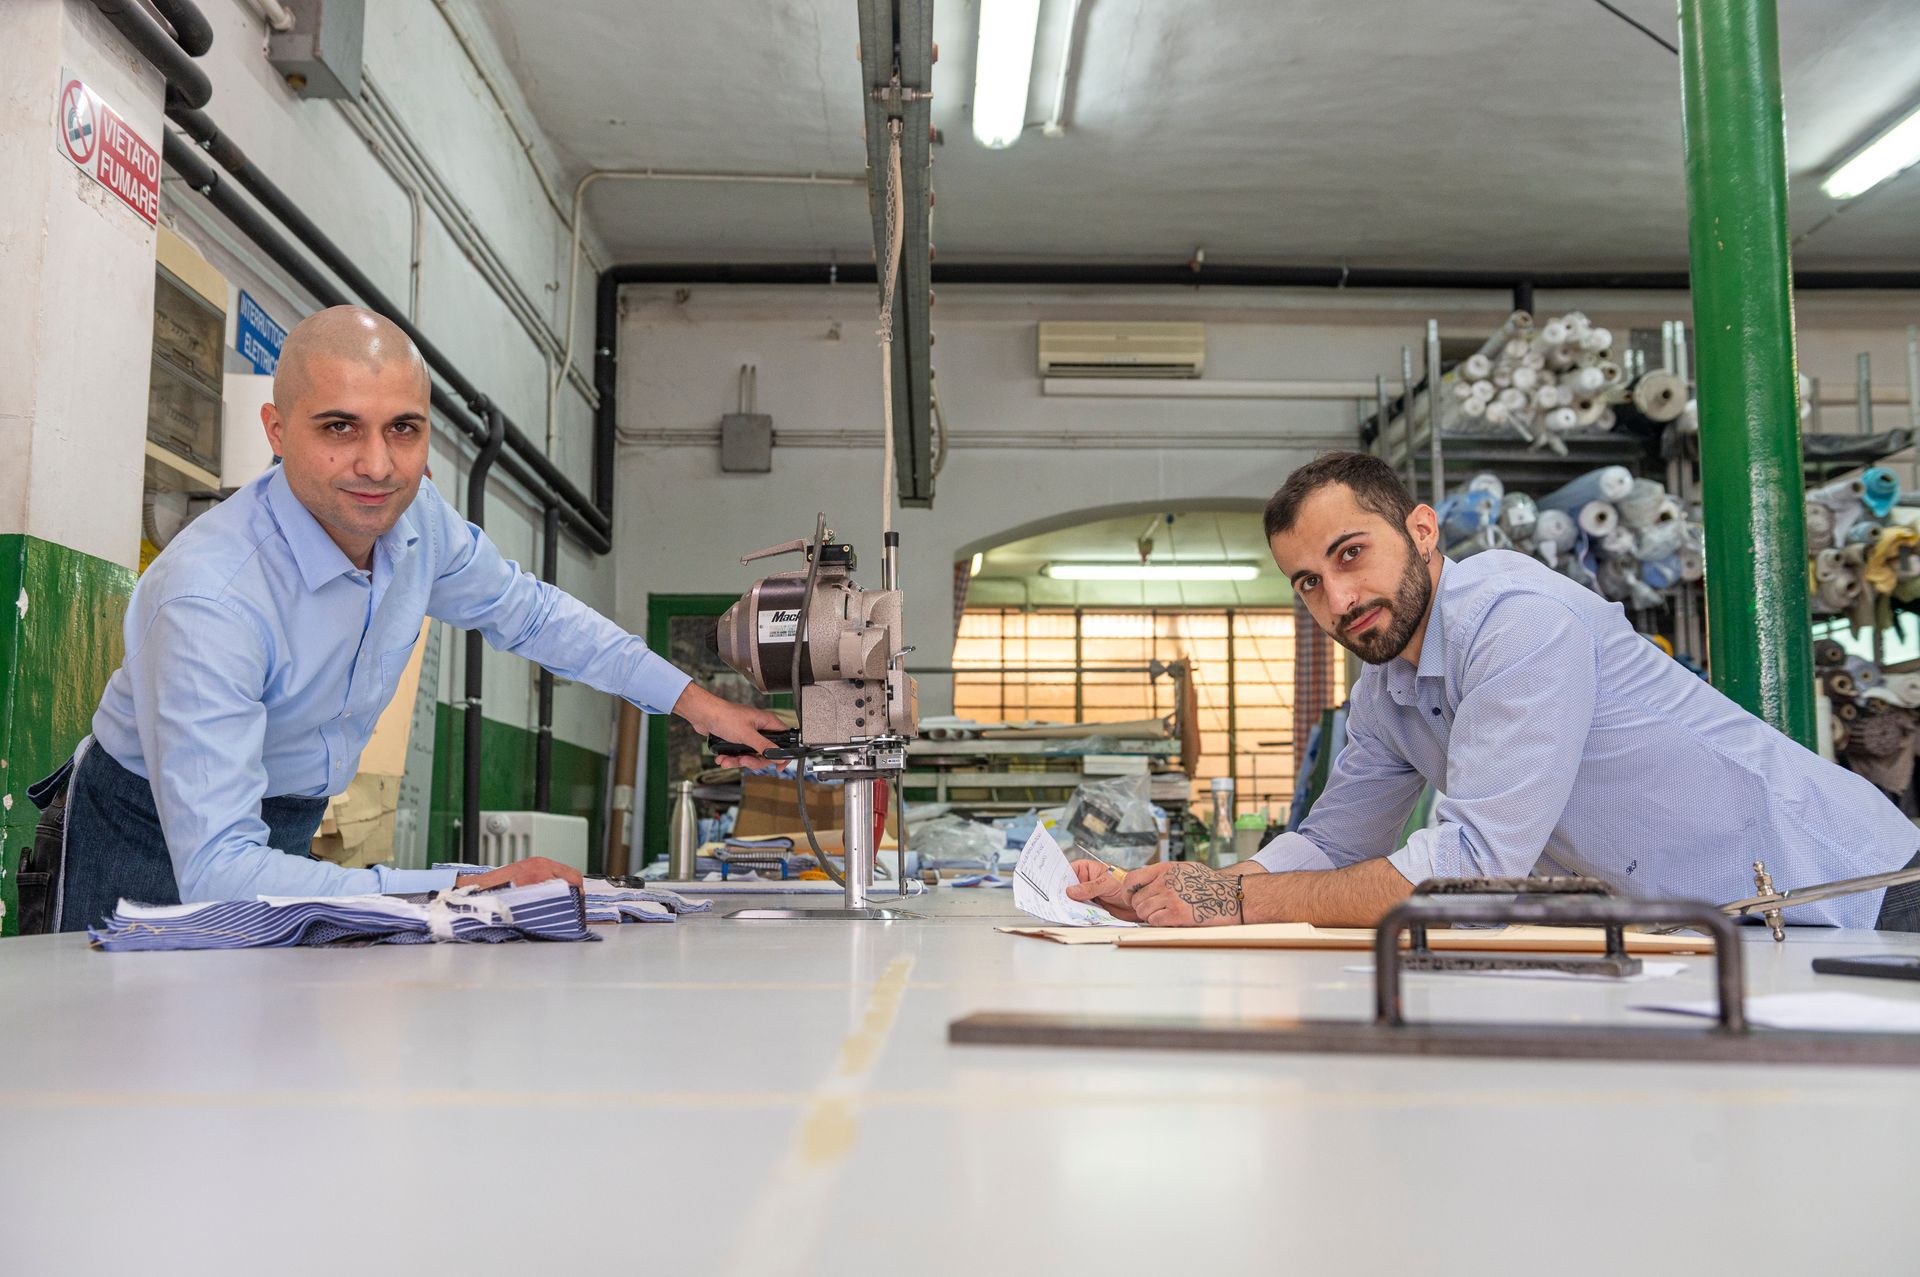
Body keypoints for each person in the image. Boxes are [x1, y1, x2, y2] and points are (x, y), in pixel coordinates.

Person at [38, 306, 785, 932]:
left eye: (404, 428)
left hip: (281, 830)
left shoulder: (416, 523)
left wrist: (693, 701)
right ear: (275, 428)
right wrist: (460, 887)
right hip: (144, 840)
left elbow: (530, 614)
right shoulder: (213, 597)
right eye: (339, 427)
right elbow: (220, 868)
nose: (378, 464)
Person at [1069, 451, 1920, 932]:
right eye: (1306, 583)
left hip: (1856, 892)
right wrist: (1189, 887)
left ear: (1423, 532)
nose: (1336, 599)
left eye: (1350, 554)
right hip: (1735, 926)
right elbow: (1329, 844)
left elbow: (1472, 869)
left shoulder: (1516, 619)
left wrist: (1234, 899)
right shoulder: (1384, 693)